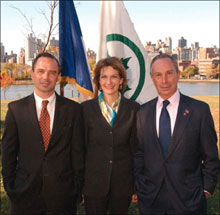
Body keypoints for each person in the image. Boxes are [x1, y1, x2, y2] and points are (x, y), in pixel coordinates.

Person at [134, 53, 219, 215]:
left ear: (178, 74)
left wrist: (206, 189)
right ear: (152, 78)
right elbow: (139, 153)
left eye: (169, 73)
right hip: (151, 200)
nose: (164, 80)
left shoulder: (199, 110)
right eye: (158, 75)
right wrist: (140, 186)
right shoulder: (143, 112)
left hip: (189, 201)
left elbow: (211, 157)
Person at [2, 52, 84, 215]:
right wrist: (11, 187)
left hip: (63, 197)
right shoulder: (16, 110)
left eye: (52, 72)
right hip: (24, 196)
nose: (46, 77)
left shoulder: (73, 110)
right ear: (32, 74)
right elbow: (8, 154)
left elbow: (78, 154)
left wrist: (77, 188)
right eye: (41, 71)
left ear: (58, 76)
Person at [81, 57, 140, 214]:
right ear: (98, 81)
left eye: (114, 76)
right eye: (104, 77)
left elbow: (136, 149)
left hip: (123, 185)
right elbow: (80, 150)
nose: (109, 81)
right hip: (93, 185)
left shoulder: (134, 109)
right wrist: (80, 185)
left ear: (121, 80)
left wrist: (136, 185)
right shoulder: (85, 110)